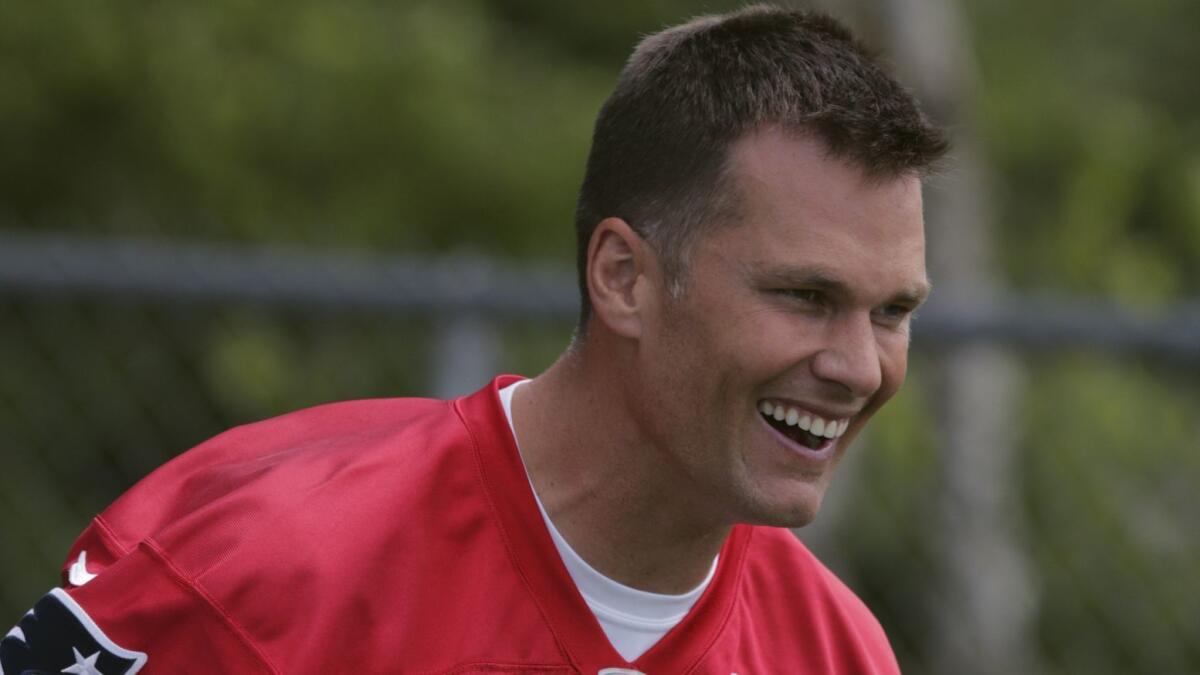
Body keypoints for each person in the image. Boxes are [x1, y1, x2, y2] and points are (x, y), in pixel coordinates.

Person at [2, 4, 946, 674]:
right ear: (624, 277)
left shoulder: (835, 649)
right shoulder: (266, 574)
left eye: (892, 311)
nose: (859, 366)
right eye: (804, 294)